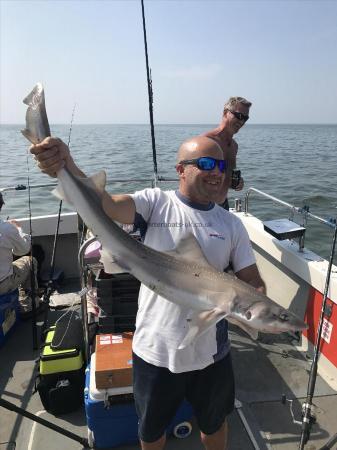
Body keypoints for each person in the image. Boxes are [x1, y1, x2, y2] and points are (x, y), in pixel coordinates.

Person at [30, 135, 265, 450]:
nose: (217, 172)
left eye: (221, 165)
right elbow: (107, 205)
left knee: (215, 422)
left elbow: (252, 280)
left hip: (211, 351)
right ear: (181, 169)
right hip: (155, 349)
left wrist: (256, 306)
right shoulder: (155, 203)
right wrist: (66, 164)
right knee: (151, 431)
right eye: (206, 164)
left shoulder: (231, 224)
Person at [202, 96, 251, 209]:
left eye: (245, 118)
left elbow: (228, 174)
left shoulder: (234, 146)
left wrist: (237, 182)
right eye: (238, 116)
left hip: (223, 204)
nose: (241, 121)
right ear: (225, 113)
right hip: (204, 205)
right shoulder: (207, 141)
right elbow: (196, 178)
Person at [0, 192, 41, 318]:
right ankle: (27, 305)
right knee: (30, 261)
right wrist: (19, 229)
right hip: (3, 284)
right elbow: (23, 250)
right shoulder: (6, 228)